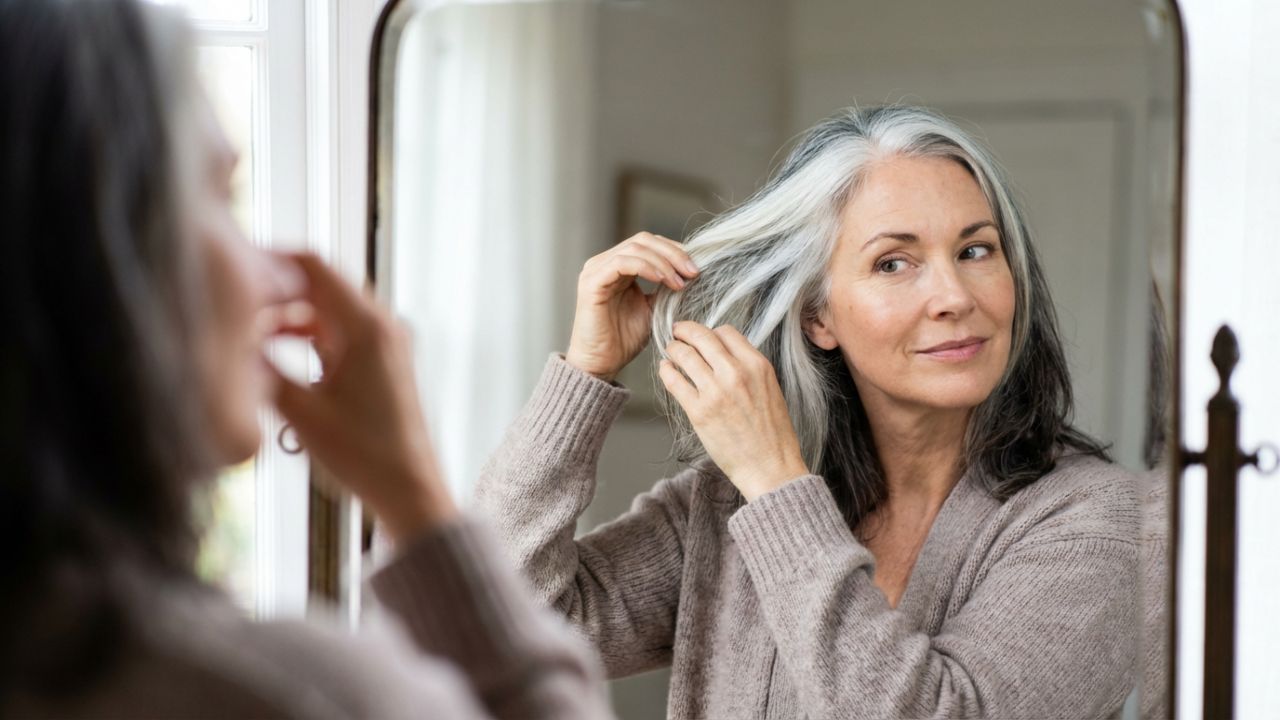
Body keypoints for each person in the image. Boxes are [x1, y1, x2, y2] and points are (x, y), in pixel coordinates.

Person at [0, 1, 610, 717]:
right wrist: (413, 494)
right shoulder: (286, 691)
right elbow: (555, 611)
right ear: (95, 258)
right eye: (221, 195)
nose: (278, 275)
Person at [476, 106, 1142, 718]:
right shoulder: (723, 511)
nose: (952, 296)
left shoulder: (1112, 525)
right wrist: (583, 375)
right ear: (819, 316)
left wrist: (776, 485)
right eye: (894, 263)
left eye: (975, 250)